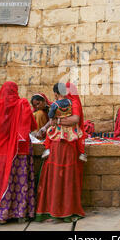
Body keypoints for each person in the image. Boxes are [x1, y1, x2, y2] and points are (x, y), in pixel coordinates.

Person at [0, 81, 38, 224]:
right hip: (18, 150)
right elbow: (32, 126)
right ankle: (19, 213)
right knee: (17, 181)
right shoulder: (22, 104)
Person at [35, 82, 86, 223]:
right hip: (58, 143)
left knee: (63, 175)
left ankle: (63, 211)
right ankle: (55, 210)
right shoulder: (66, 102)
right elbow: (52, 120)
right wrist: (44, 128)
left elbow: (75, 119)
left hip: (66, 144)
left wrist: (56, 121)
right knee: (56, 175)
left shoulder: (72, 103)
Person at [42, 84, 86, 161]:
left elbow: (75, 119)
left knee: (49, 133)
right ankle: (82, 153)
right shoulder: (70, 102)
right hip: (71, 132)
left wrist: (56, 120)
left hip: (60, 136)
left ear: (56, 93)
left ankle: (47, 149)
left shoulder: (56, 104)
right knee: (79, 134)